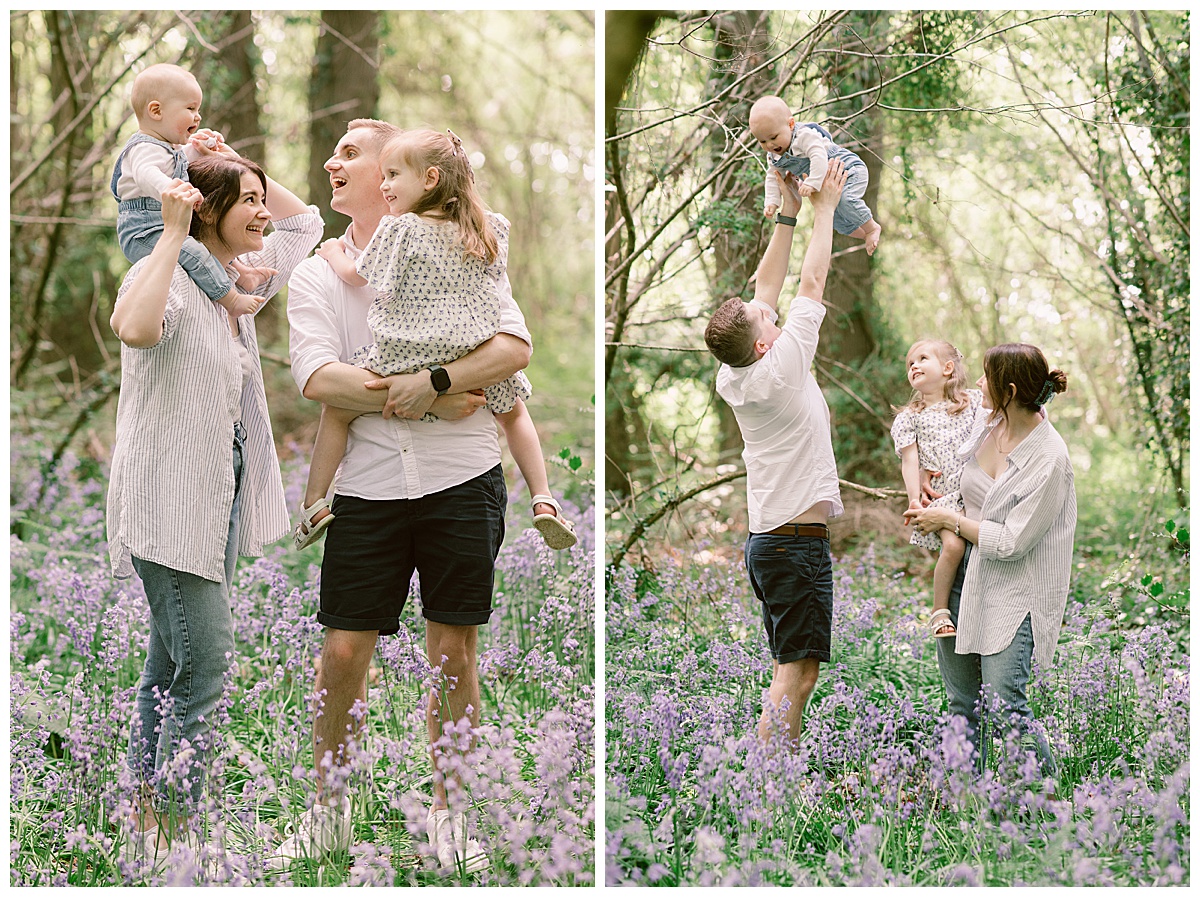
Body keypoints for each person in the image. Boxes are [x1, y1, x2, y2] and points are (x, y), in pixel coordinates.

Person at [273, 119, 534, 873]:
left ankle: (454, 820)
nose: (338, 162)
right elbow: (320, 379)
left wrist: (442, 381)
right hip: (370, 485)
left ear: (409, 174)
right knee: (344, 649)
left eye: (357, 154)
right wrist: (417, 393)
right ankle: (327, 814)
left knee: (453, 650)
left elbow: (512, 347)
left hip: (463, 474)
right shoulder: (322, 274)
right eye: (345, 156)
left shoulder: (465, 244)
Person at [107, 149, 323, 865]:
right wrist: (172, 229)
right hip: (167, 507)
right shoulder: (164, 274)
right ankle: (172, 835)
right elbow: (134, 329)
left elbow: (307, 224)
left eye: (263, 198)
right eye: (249, 200)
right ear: (207, 210)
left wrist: (230, 160)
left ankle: (143, 822)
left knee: (168, 668)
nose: (265, 211)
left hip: (214, 506)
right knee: (205, 667)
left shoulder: (240, 282)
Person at [294, 128, 575, 552]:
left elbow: (357, 275)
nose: (387, 184)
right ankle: (544, 498)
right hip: (468, 344)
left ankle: (314, 503)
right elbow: (316, 377)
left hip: (414, 357)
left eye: (391, 173)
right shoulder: (481, 228)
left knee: (338, 410)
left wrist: (334, 252)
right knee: (514, 411)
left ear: (426, 179)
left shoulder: (399, 230)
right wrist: (441, 391)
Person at [703, 158, 849, 747]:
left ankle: (769, 775)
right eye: (768, 318)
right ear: (765, 342)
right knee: (799, 671)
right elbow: (809, 286)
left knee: (790, 666)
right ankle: (769, 784)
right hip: (794, 546)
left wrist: (786, 212)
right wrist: (825, 212)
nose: (772, 305)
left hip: (770, 542)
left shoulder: (735, 373)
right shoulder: (783, 366)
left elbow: (765, 291)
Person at [906, 343, 1075, 782]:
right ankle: (968, 802)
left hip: (1015, 589)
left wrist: (948, 520)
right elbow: (936, 440)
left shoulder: (1049, 458)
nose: (978, 382)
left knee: (1004, 703)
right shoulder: (986, 423)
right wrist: (923, 473)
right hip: (964, 577)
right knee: (964, 701)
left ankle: (1048, 805)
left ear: (1011, 389)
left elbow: (1012, 541)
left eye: (987, 377)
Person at [111, 63, 274, 319]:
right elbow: (146, 174)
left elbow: (180, 164)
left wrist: (201, 147)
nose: (197, 117)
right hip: (144, 231)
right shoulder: (143, 149)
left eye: (198, 109)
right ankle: (230, 299)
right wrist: (171, 190)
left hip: (167, 225)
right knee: (194, 251)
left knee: (208, 238)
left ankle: (242, 272)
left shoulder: (169, 148)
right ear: (156, 111)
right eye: (190, 109)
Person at [890, 340, 984, 638]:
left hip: (977, 492)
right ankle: (939, 611)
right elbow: (909, 460)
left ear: (947, 368)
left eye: (922, 358)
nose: (914, 366)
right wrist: (915, 498)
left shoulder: (972, 402)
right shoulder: (910, 417)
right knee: (954, 546)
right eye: (910, 364)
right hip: (942, 496)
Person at [748, 95, 882, 256]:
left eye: (773, 137)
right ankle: (865, 234)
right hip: (828, 182)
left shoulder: (804, 136)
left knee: (846, 200)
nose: (769, 145)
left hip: (848, 169)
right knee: (834, 219)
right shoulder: (775, 156)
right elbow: (772, 177)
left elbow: (818, 155)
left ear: (791, 124)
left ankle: (872, 227)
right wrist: (771, 201)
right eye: (762, 141)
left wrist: (812, 182)